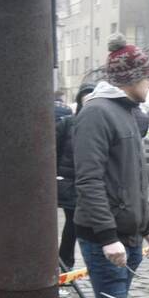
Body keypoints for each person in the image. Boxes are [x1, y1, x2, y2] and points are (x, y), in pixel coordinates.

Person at [73, 34, 149, 298]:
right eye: (148, 77)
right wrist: (109, 237)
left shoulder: (128, 114)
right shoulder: (96, 113)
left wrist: (148, 227)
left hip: (128, 235)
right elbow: (89, 180)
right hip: (104, 237)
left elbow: (134, 180)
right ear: (132, 79)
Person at [55, 84, 94, 270]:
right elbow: (53, 151)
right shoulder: (68, 123)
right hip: (70, 183)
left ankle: (70, 263)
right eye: (85, 101)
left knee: (86, 224)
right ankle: (65, 264)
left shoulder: (99, 124)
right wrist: (57, 176)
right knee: (72, 224)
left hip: (92, 183)